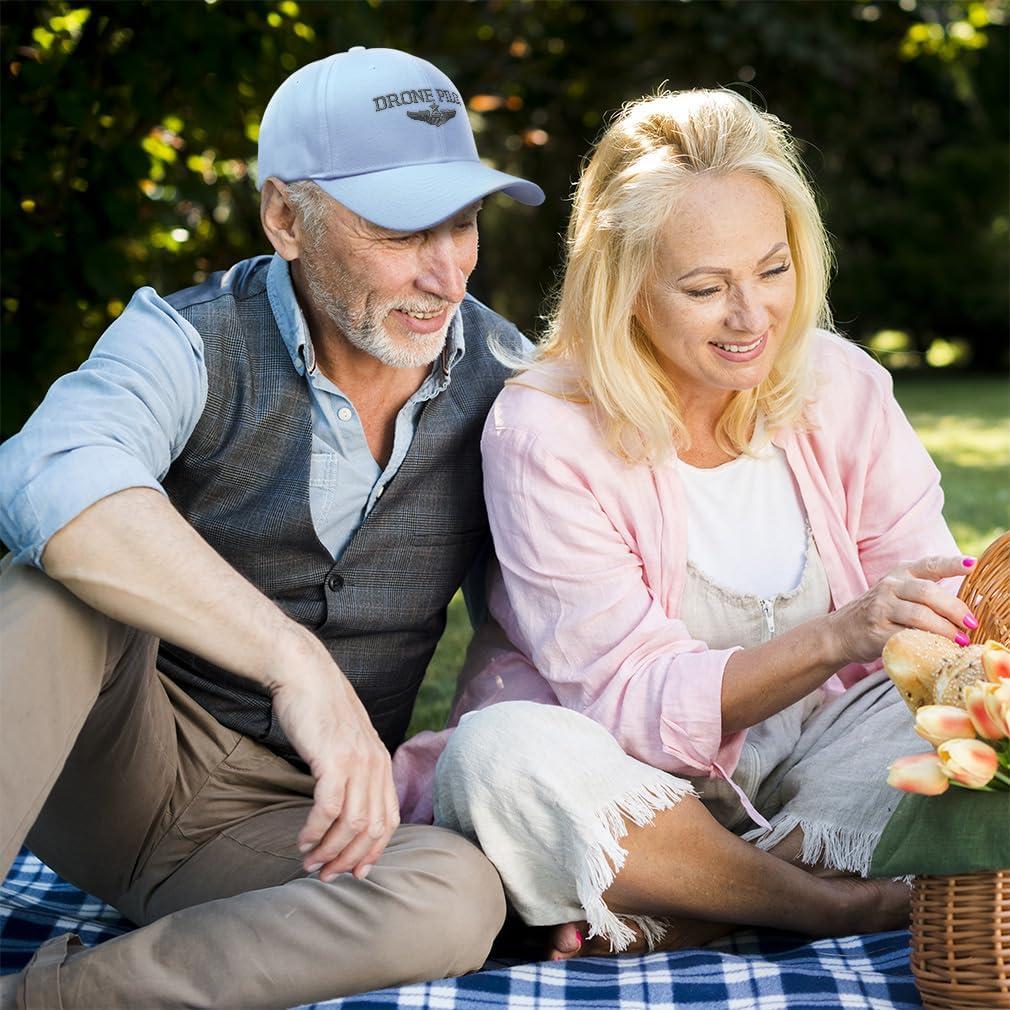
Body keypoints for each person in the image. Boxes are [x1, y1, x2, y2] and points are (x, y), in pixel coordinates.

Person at [0, 47, 544, 1009]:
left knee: (458, 898)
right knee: (44, 590)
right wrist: (299, 665)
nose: (443, 272)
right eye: (399, 229)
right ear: (285, 218)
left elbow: (552, 628)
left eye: (461, 223)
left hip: (297, 827)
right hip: (112, 763)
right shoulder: (185, 337)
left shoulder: (511, 383)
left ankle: (59, 1000)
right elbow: (47, 472)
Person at [399, 88, 975, 959]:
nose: (754, 318)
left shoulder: (840, 384)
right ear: (625, 287)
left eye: (773, 271)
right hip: (624, 778)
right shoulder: (543, 430)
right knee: (496, 755)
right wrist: (835, 636)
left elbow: (939, 609)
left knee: (974, 698)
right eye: (706, 287)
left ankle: (700, 899)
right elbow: (628, 705)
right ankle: (827, 905)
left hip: (819, 768)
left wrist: (946, 630)